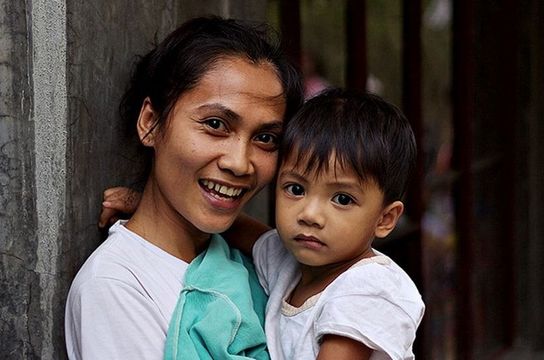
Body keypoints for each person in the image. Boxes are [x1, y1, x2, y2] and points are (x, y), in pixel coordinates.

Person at [102, 88, 425, 359]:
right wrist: (146, 204)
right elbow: (240, 229)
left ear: (385, 219)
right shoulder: (291, 262)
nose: (310, 214)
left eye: (342, 199)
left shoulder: (368, 289)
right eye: (296, 189)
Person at [65, 16, 303, 360]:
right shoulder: (117, 288)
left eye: (266, 138)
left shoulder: (255, 264)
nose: (239, 162)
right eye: (215, 124)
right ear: (150, 124)